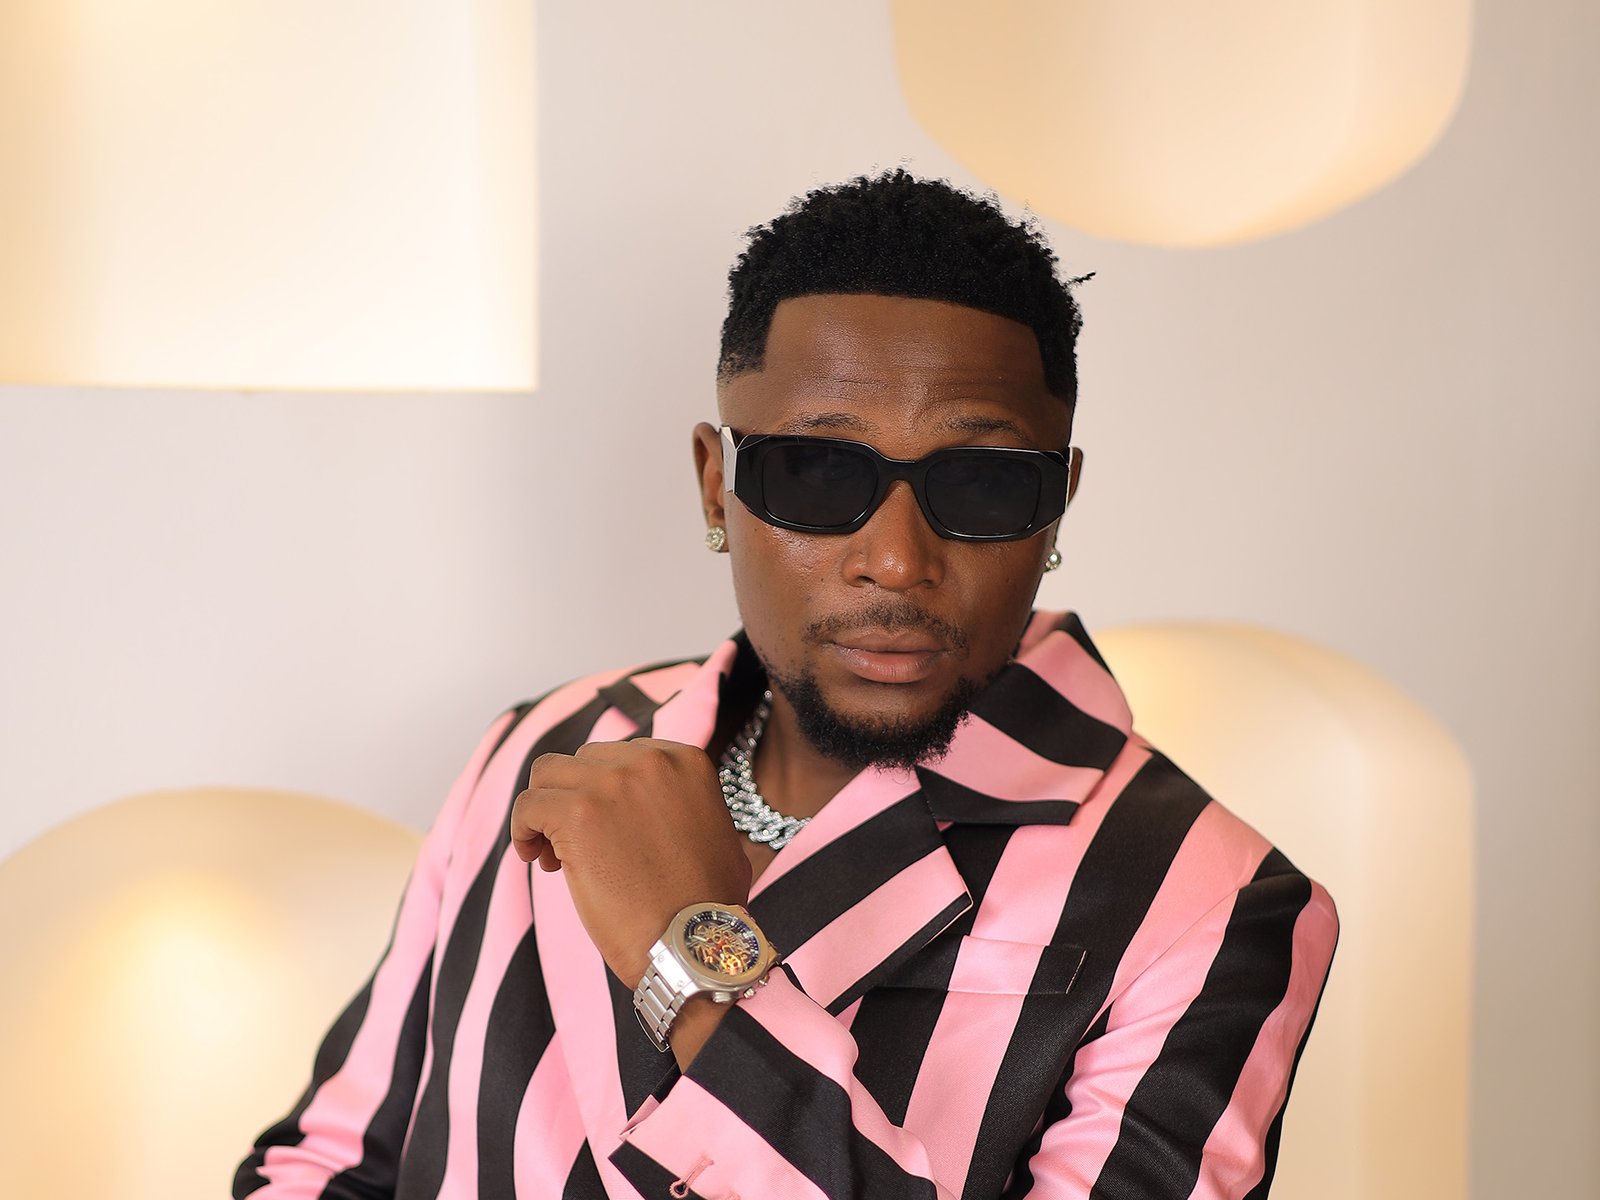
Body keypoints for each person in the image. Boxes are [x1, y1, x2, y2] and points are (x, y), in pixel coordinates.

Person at [234, 170, 1337, 1200]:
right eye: (816, 471)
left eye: (979, 482)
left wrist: (697, 954)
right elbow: (330, 1163)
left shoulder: (1212, 900)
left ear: (1055, 506)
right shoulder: (550, 747)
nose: (895, 560)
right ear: (715, 485)